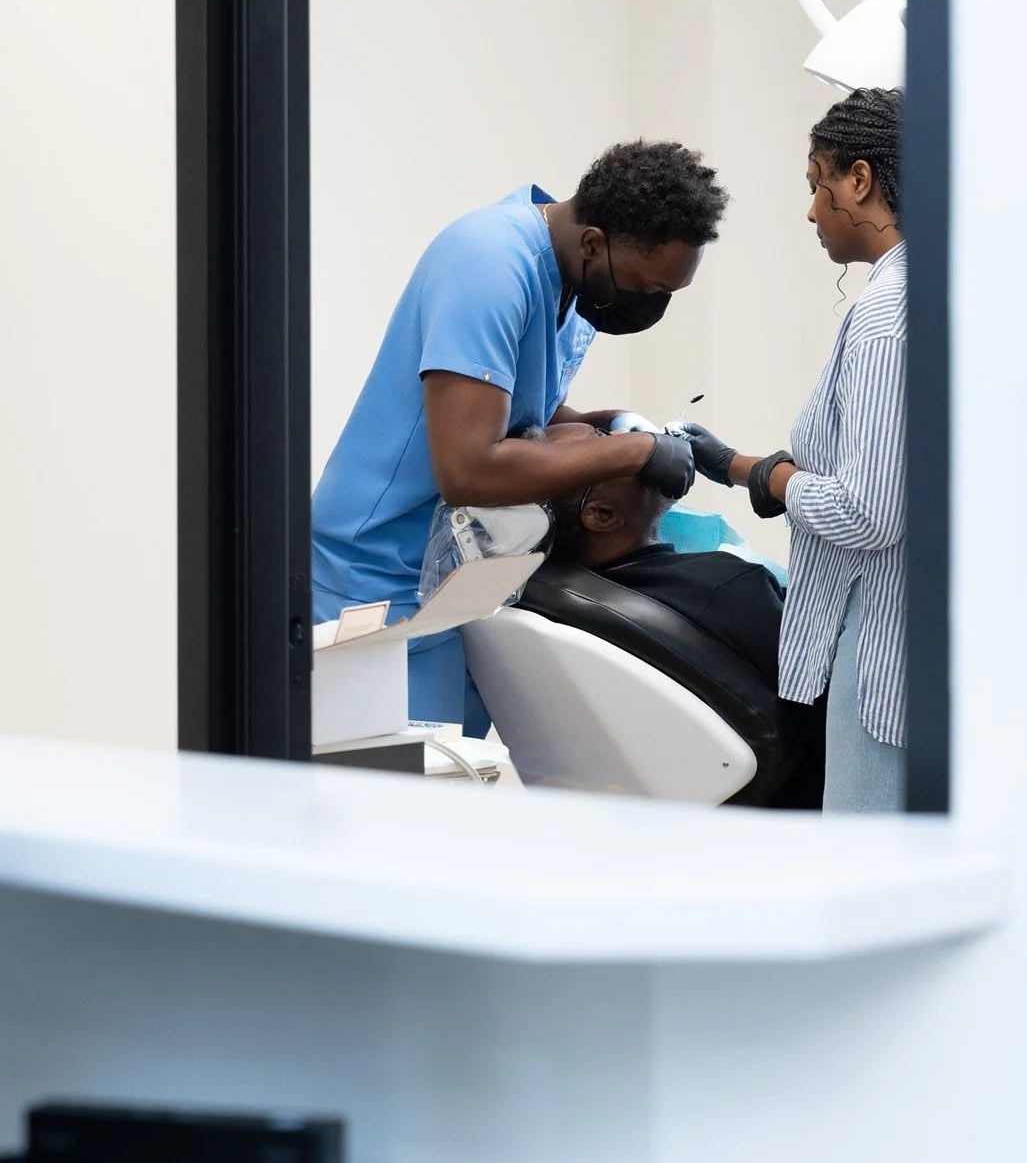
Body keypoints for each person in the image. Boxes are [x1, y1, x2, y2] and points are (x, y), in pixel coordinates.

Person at [313, 142, 729, 732]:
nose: (650, 306)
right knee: (407, 782)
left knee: (465, 775)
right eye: (646, 288)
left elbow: (527, 413)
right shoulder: (488, 264)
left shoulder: (573, 280)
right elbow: (469, 470)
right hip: (376, 585)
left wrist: (615, 423)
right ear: (594, 243)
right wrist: (633, 451)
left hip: (464, 579)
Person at [674, 88, 906, 811]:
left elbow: (869, 511)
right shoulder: (930, 293)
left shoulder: (885, 320)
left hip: (885, 648)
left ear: (859, 181)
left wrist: (769, 478)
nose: (811, 211)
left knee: (869, 859)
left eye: (817, 184)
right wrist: (744, 467)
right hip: (909, 634)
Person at [521, 466, 824, 807]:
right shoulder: (724, 587)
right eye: (602, 445)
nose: (637, 444)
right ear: (602, 515)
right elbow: (829, 693)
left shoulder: (540, 595)